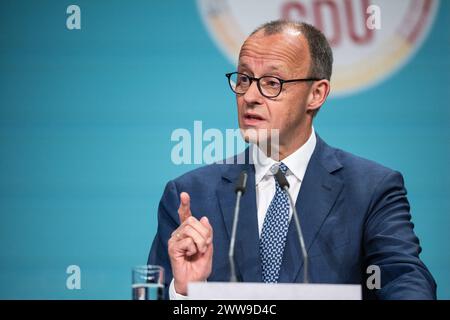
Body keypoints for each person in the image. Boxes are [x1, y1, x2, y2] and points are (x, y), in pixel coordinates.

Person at [148, 20, 436, 300]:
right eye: (244, 79)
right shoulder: (190, 196)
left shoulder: (371, 189)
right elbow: (154, 291)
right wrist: (184, 293)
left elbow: (402, 277)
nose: (249, 96)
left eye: (272, 82)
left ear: (316, 94)